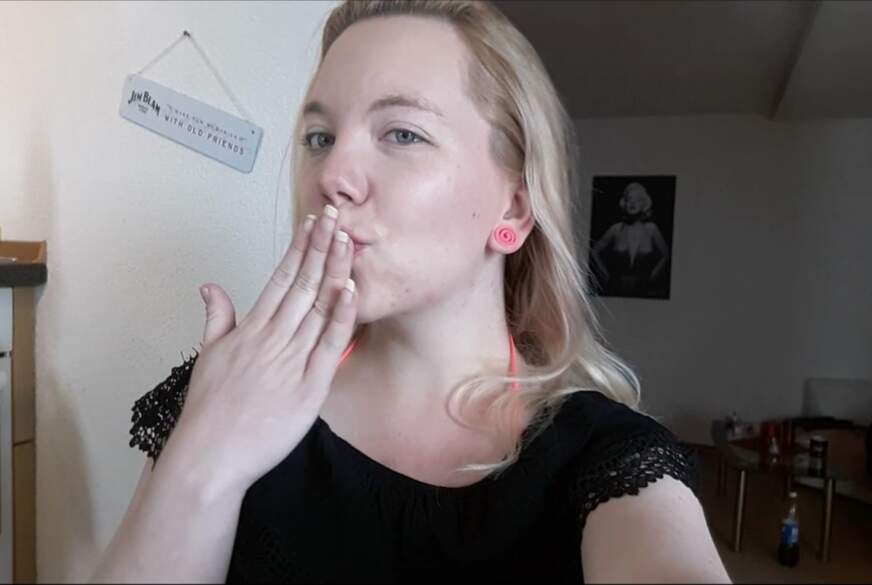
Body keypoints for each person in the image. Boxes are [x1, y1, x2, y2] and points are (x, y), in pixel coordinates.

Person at [91, 1, 730, 583]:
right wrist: (203, 463)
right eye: (319, 138)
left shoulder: (608, 460)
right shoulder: (226, 390)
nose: (333, 174)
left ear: (513, 206)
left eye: (402, 134)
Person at [590, 182, 672, 297]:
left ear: (644, 204)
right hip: (616, 291)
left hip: (645, 292)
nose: (632, 203)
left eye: (637, 200)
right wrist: (606, 276)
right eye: (629, 199)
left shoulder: (652, 229)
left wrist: (652, 277)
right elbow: (594, 251)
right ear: (624, 203)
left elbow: (666, 255)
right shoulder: (616, 229)